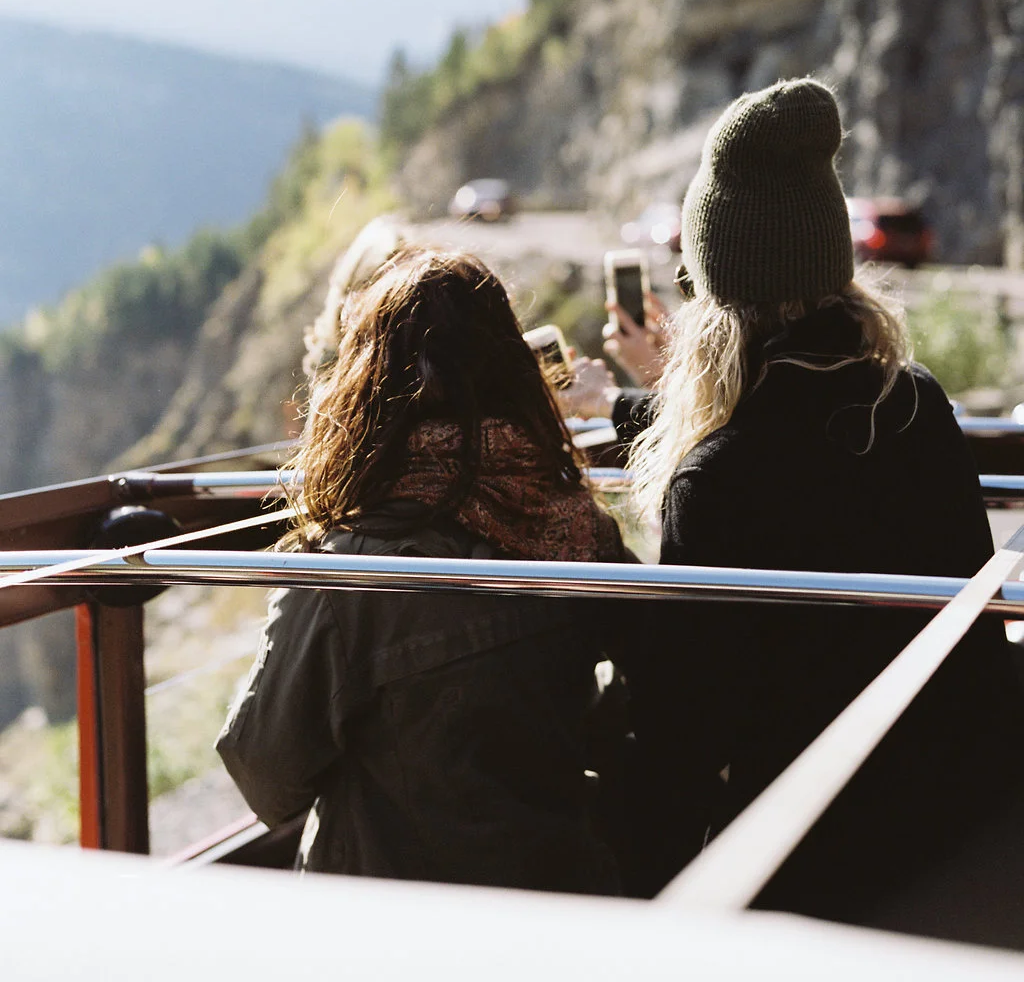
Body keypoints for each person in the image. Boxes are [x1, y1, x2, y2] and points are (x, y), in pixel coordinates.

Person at [620, 78, 1024, 939]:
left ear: (716, 292)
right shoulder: (912, 403)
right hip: (968, 834)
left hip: (818, 879)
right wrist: (632, 406)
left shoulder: (720, 479)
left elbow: (679, 737)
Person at [217, 246, 625, 894]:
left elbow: (267, 773)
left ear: (367, 388)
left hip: (393, 920)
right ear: (513, 371)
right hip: (558, 898)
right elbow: (660, 680)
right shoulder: (578, 526)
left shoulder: (350, 574)